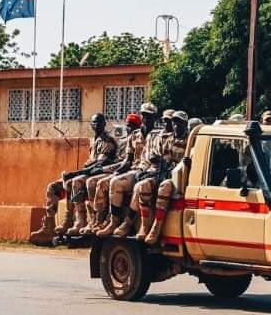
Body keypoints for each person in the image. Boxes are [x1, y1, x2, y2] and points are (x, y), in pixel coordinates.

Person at [29, 113, 115, 245]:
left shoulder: (107, 141)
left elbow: (99, 165)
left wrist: (74, 174)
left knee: (74, 182)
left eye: (99, 122)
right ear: (91, 125)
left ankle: (77, 220)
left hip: (95, 174)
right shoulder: (93, 140)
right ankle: (49, 226)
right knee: (53, 187)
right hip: (85, 172)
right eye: (94, 123)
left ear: (105, 124)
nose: (97, 125)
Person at [119, 111, 189, 244]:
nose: (175, 125)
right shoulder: (165, 139)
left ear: (185, 124)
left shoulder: (189, 141)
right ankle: (144, 226)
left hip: (177, 179)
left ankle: (156, 228)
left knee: (165, 187)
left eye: (179, 123)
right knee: (143, 185)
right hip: (160, 173)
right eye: (174, 122)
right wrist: (159, 162)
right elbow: (153, 156)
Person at [97, 103, 162, 237]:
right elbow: (128, 160)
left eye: (149, 116)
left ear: (155, 118)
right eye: (144, 115)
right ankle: (112, 221)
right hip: (135, 170)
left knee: (137, 187)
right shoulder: (135, 135)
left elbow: (161, 159)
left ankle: (127, 223)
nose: (146, 119)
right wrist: (117, 172)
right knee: (114, 181)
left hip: (151, 172)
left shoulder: (159, 135)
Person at [79, 113, 141, 235]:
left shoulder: (140, 141)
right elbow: (118, 161)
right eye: (128, 126)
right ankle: (95, 220)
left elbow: (125, 163)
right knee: (91, 181)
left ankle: (108, 220)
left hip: (129, 172)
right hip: (118, 170)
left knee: (103, 182)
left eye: (133, 126)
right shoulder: (122, 142)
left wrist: (104, 170)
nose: (130, 129)